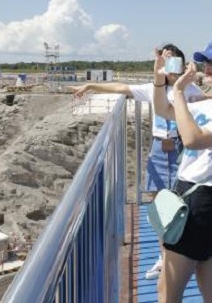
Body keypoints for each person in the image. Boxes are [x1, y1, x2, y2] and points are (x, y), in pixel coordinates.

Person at [69, 43, 204, 280]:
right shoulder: (154, 88)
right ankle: (165, 256)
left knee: (185, 204)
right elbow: (121, 87)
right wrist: (90, 85)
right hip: (159, 149)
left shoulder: (191, 90)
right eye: (166, 62)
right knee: (161, 206)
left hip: (184, 148)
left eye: (175, 62)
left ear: (183, 66)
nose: (171, 68)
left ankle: (184, 256)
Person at [153, 36, 212, 303]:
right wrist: (159, 79)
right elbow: (162, 109)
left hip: (201, 201)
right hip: (199, 199)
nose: (208, 66)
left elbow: (193, 139)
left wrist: (179, 91)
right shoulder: (207, 104)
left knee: (167, 292)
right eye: (206, 61)